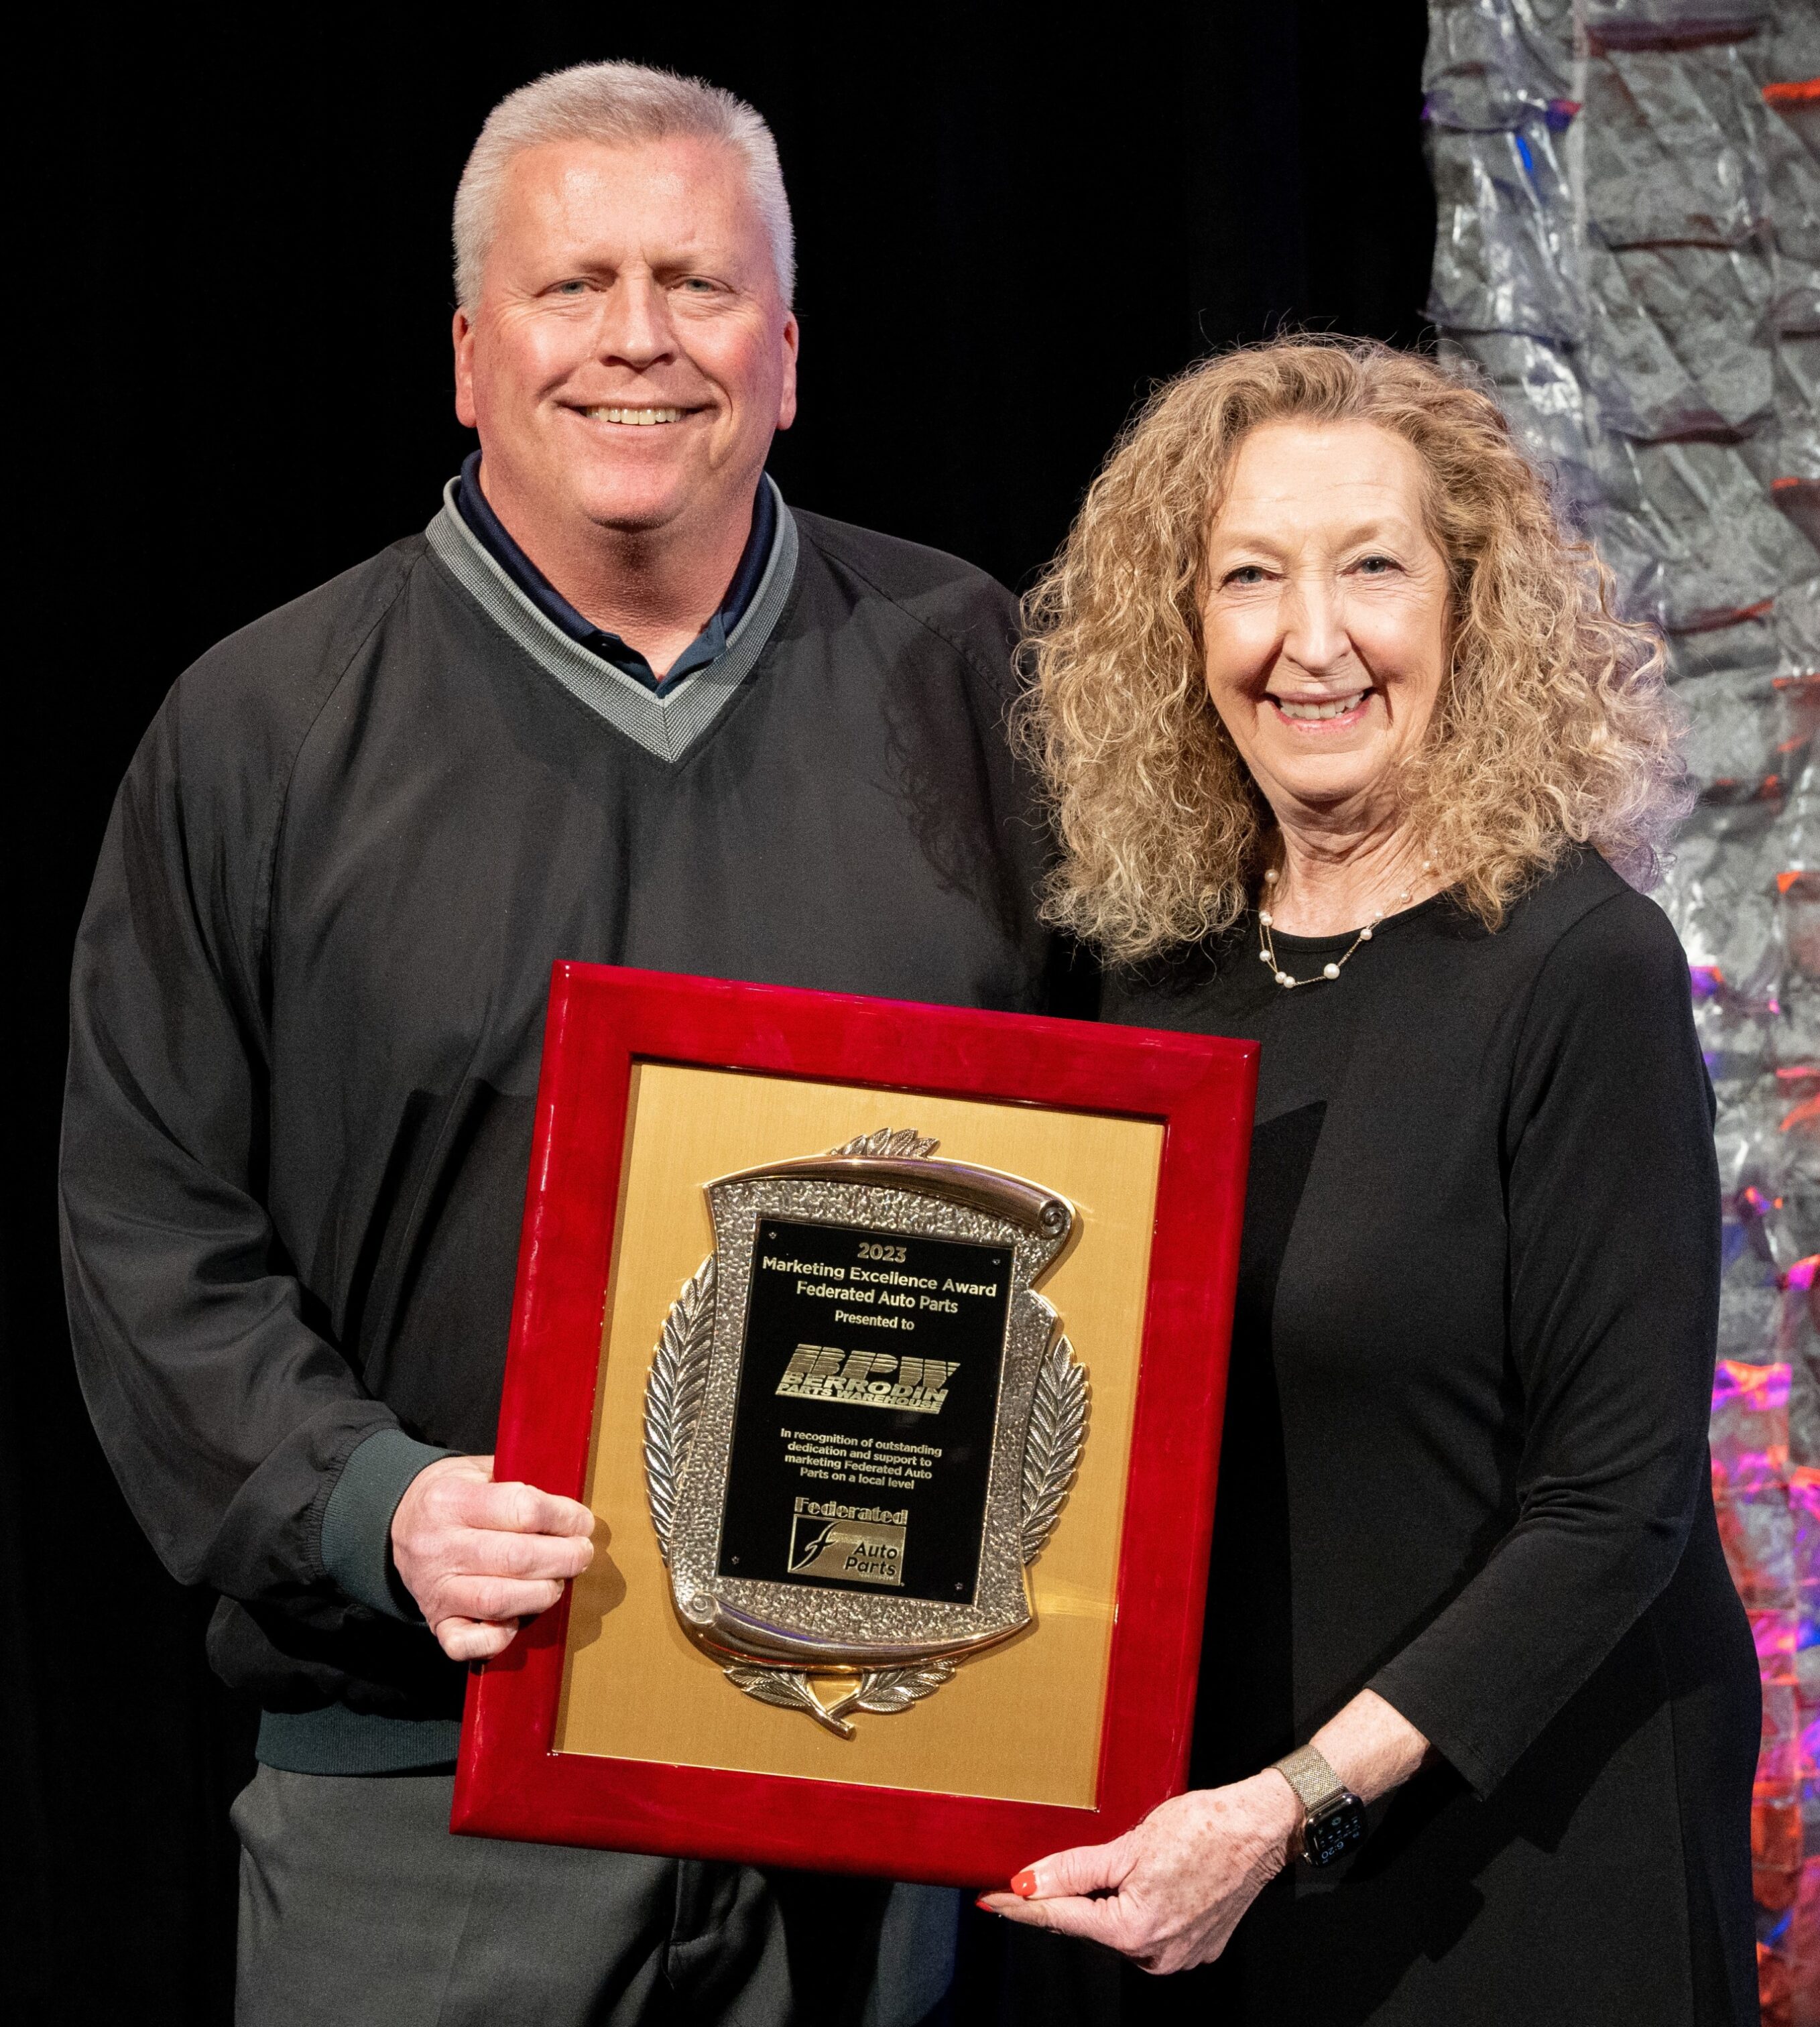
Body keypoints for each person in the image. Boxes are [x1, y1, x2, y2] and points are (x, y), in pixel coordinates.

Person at [60, 60, 1059, 2027]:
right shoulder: (260, 731)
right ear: (464, 352)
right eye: (569, 284)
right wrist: (375, 1503)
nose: (635, 339)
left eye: (695, 286)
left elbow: (1131, 1171)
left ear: (784, 352)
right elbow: (150, 1236)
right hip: (426, 1807)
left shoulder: (978, 679)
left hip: (886, 1777)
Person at [975, 338, 1759, 2025]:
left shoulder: (1575, 966)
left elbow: (1612, 1508)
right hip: (1211, 1853)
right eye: (1247, 576)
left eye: (1370, 570)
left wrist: (1285, 1810)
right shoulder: (1141, 973)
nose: (1307, 639)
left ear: (1467, 610)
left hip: (1528, 1844)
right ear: (1179, 628)